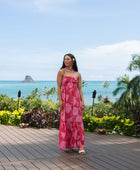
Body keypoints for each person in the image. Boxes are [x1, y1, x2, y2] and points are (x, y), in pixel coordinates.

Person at [57, 53, 86, 155]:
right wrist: (60, 100)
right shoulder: (61, 72)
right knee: (67, 122)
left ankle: (80, 146)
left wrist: (82, 101)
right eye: (64, 59)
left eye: (68, 59)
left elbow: (80, 88)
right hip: (66, 101)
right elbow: (59, 87)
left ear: (72, 61)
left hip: (76, 100)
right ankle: (69, 145)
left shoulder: (78, 74)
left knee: (78, 122)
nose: (66, 61)